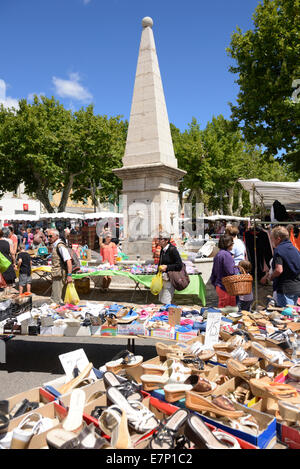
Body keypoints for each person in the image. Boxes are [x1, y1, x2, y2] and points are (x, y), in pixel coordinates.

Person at [267, 226, 300, 307]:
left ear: (278, 239)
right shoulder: (295, 249)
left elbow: (279, 270)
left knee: (285, 316)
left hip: (285, 288)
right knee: (292, 316)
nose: (272, 241)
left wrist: (271, 276)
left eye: (272, 239)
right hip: (296, 287)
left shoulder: (279, 250)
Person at [210, 234, 239, 308]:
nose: (233, 244)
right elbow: (231, 271)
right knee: (227, 310)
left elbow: (214, 272)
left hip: (220, 285)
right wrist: (238, 268)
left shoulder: (219, 254)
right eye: (232, 243)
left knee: (223, 307)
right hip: (226, 287)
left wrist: (214, 283)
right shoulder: (226, 255)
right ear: (229, 244)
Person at [157, 231, 183, 304]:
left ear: (166, 240)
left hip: (170, 278)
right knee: (162, 300)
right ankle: (169, 313)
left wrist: (167, 267)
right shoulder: (163, 249)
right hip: (163, 278)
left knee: (166, 300)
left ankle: (170, 313)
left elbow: (179, 265)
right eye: (158, 238)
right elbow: (160, 262)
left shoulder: (173, 249)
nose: (158, 240)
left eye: (160, 239)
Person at [48, 229, 73, 304]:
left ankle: (56, 311)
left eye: (50, 236)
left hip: (59, 274)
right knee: (58, 296)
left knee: (56, 298)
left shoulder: (60, 246)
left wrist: (69, 275)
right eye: (47, 236)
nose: (48, 238)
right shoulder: (56, 246)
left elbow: (68, 260)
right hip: (57, 273)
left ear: (56, 236)